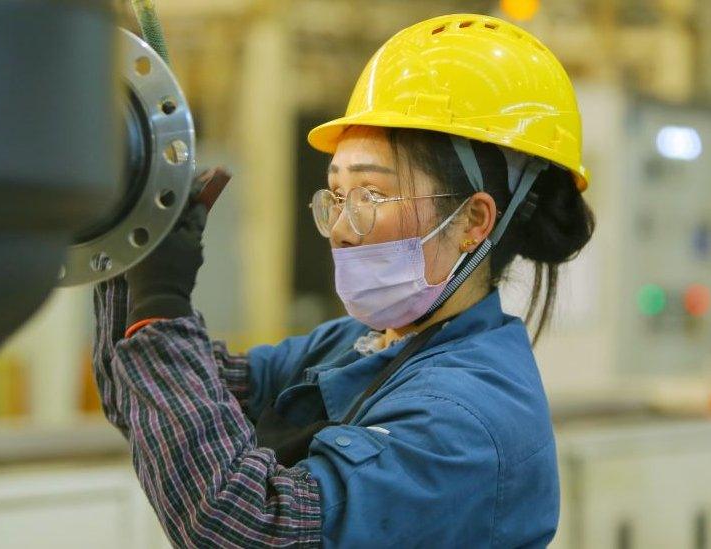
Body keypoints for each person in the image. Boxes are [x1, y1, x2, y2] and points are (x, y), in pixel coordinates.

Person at [93, 13, 595, 548]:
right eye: (337, 195)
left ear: (474, 221)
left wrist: (163, 303)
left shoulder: (465, 424)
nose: (340, 230)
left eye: (372, 197)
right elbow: (149, 399)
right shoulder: (360, 347)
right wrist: (130, 230)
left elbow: (249, 528)